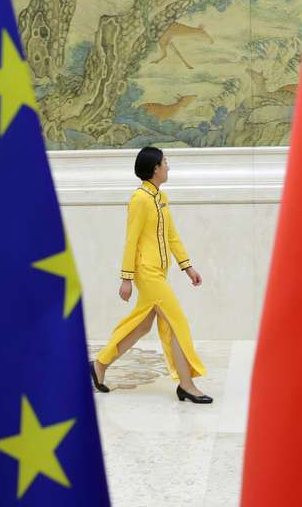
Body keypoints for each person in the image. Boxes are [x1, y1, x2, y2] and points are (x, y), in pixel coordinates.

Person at [90, 147, 212, 404]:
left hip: (160, 271)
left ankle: (99, 365)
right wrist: (126, 278)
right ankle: (187, 384)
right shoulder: (139, 199)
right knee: (177, 322)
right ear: (155, 168)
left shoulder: (161, 197)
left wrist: (188, 267)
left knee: (142, 325)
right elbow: (131, 240)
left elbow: (172, 236)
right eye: (165, 162)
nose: (168, 166)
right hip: (146, 273)